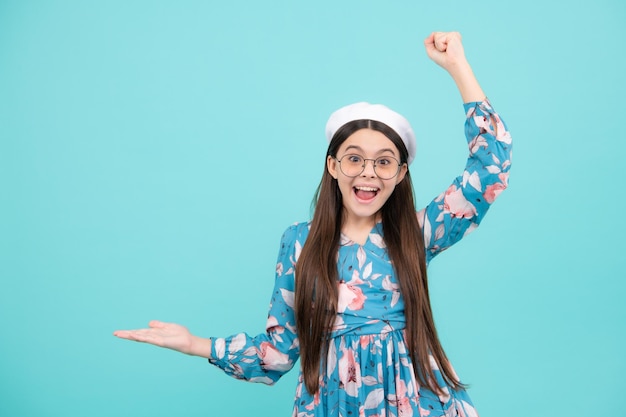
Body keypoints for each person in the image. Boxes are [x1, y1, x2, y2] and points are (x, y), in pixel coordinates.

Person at [114, 31, 512, 417]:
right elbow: (278, 352)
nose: (368, 173)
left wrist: (458, 66)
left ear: (401, 173)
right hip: (330, 403)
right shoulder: (298, 242)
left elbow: (490, 170)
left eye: (384, 161)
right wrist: (195, 343)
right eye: (354, 158)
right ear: (333, 165)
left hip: (413, 401)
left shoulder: (417, 232)